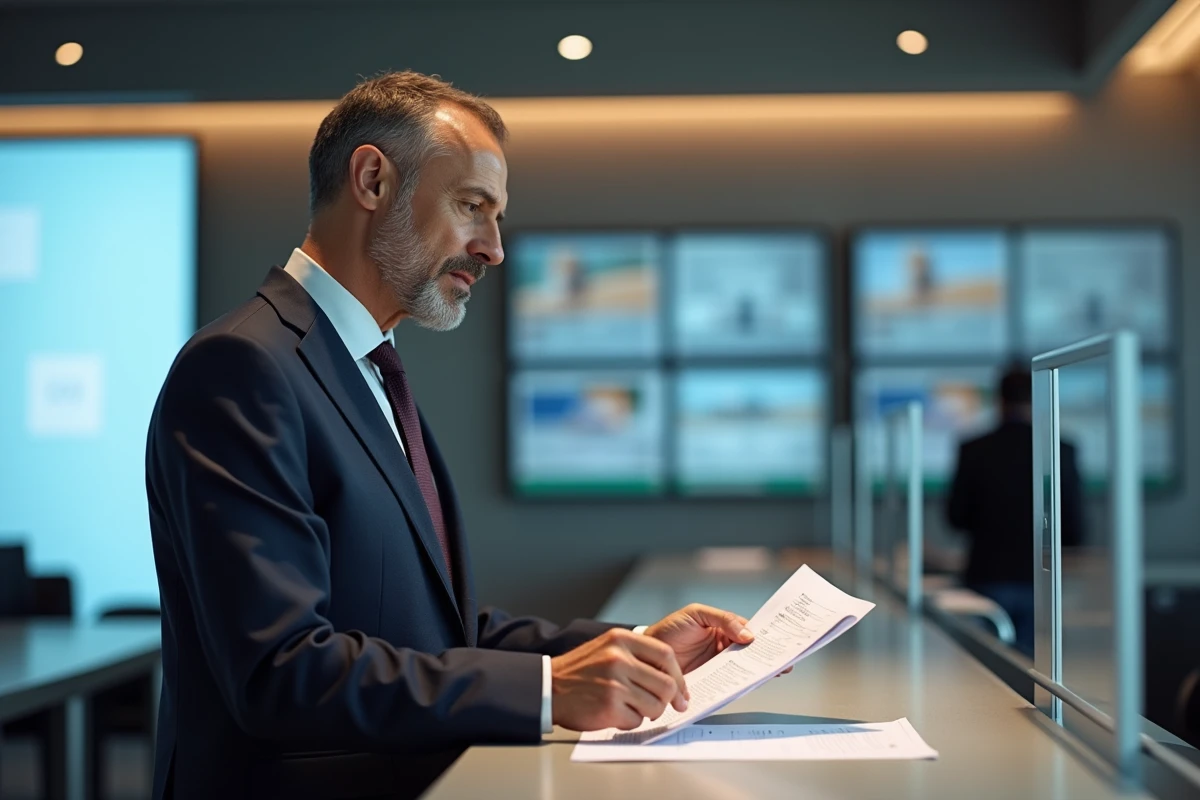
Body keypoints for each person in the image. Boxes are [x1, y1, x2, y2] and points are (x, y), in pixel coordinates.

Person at [145, 71, 757, 800]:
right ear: (373, 180)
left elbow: (433, 631)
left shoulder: (366, 367)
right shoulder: (242, 366)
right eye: (473, 206)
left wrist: (628, 650)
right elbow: (280, 670)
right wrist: (546, 687)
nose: (493, 248)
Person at [945, 366, 1084, 657]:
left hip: (987, 574)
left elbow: (956, 517)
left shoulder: (974, 449)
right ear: (1034, 399)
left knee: (987, 667)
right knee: (1038, 669)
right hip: (1042, 576)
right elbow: (1073, 526)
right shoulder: (1060, 449)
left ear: (999, 400)